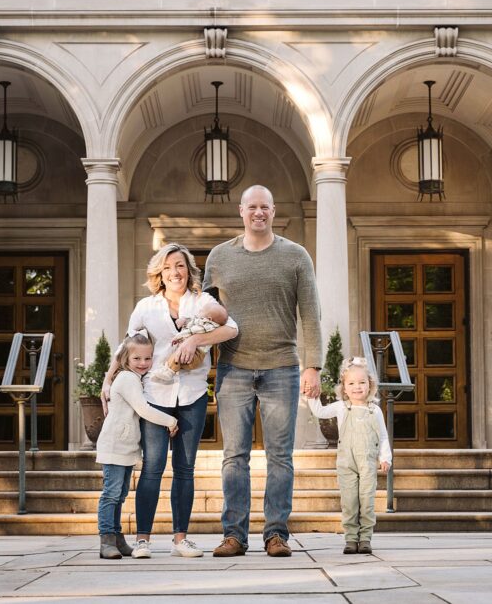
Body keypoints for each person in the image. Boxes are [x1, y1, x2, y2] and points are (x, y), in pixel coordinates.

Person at [203, 185, 323, 558]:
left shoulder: (295, 256)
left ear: (274, 211)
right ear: (241, 211)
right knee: (234, 455)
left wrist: (314, 366)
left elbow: (311, 314)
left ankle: (276, 534)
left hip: (281, 367)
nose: (258, 212)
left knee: (280, 456)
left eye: (265, 207)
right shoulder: (219, 256)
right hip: (233, 367)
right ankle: (234, 535)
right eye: (252, 206)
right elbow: (202, 312)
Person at [104, 243, 238, 558]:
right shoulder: (146, 307)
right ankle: (143, 540)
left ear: (189, 270)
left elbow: (232, 329)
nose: (174, 272)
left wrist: (195, 339)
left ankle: (181, 539)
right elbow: (126, 346)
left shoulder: (203, 301)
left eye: (179, 266)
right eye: (167, 267)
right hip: (154, 395)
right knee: (152, 467)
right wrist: (108, 379)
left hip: (192, 393)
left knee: (185, 467)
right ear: (159, 274)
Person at [96, 334, 178, 560]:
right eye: (137, 358)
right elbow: (143, 409)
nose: (143, 363)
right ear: (125, 358)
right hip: (115, 445)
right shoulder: (126, 379)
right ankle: (106, 540)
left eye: (148, 358)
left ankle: (118, 538)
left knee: (120, 495)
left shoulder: (134, 378)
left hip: (125, 447)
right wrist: (171, 421)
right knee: (111, 494)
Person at [305, 356, 392, 555]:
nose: (357, 387)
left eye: (362, 383)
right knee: (349, 501)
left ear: (370, 385)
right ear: (344, 387)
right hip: (346, 464)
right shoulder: (342, 407)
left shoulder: (375, 410)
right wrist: (311, 394)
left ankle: (365, 539)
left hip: (368, 463)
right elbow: (319, 411)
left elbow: (383, 436)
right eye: (351, 383)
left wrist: (385, 457)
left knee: (366, 501)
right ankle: (351, 538)